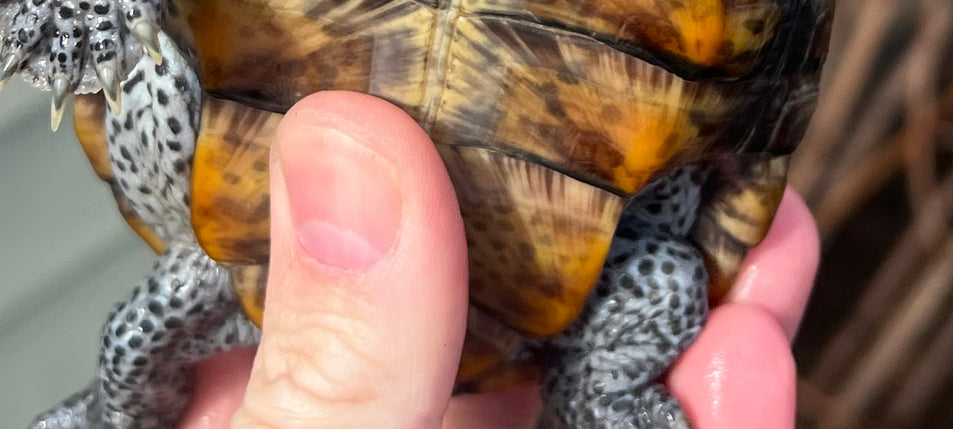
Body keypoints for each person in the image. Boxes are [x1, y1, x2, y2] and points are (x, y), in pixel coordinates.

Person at [179, 92, 820, 429]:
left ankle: (596, 390)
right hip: (562, 293)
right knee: (671, 280)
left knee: (670, 280)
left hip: (574, 277)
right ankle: (599, 390)